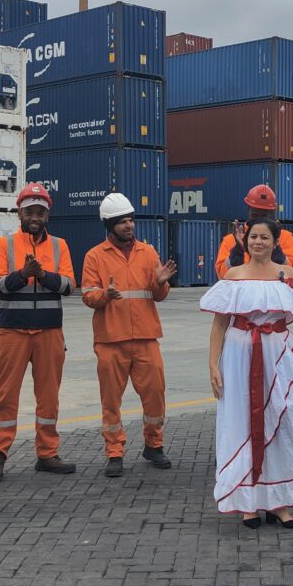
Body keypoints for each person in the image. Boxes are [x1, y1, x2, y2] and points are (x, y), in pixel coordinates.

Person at [201, 218, 293, 528]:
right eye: (253, 237)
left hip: (276, 354)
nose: (257, 242)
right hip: (238, 356)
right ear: (246, 241)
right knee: (241, 422)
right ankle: (247, 504)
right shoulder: (233, 275)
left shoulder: (288, 275)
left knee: (282, 422)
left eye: (264, 237)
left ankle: (278, 503)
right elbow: (219, 323)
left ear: (275, 242)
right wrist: (213, 364)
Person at [0, 183, 75, 484]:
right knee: (5, 395)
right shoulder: (4, 245)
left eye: (40, 212)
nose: (35, 217)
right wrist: (22, 275)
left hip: (49, 332)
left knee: (48, 397)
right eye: (29, 211)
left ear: (48, 215)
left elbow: (69, 286)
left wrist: (42, 275)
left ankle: (47, 453)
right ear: (19, 213)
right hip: (13, 332)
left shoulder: (59, 246)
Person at [81, 193, 178, 477]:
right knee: (111, 401)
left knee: (155, 395)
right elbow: (88, 295)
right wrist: (106, 295)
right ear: (109, 225)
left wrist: (160, 284)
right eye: (122, 221)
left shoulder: (148, 253)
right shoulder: (94, 256)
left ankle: (154, 445)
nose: (129, 225)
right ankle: (114, 451)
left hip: (146, 337)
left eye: (131, 220)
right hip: (110, 340)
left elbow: (158, 295)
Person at [215, 184, 293, 278]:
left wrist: (275, 246)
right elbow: (222, 276)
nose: (259, 220)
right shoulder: (231, 240)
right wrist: (237, 251)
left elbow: (289, 273)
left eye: (263, 216)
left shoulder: (284, 237)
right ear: (248, 211)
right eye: (255, 215)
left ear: (272, 214)